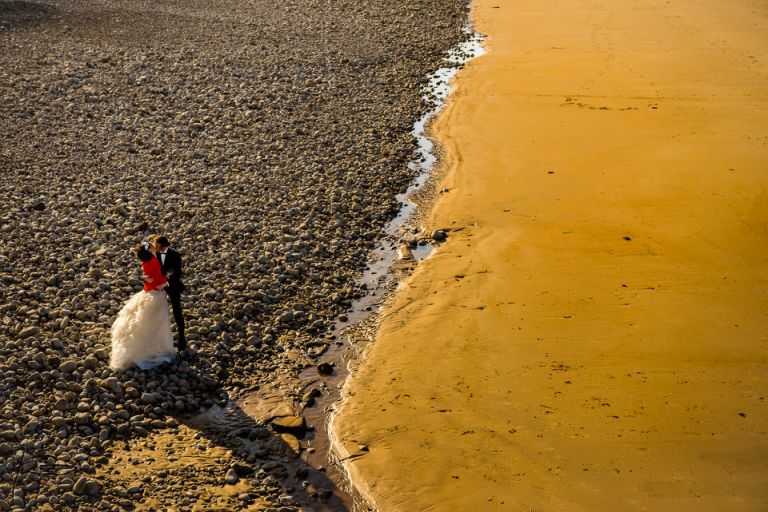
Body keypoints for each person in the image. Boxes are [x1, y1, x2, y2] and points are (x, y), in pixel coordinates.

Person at [110, 242, 175, 371]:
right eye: (151, 245)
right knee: (157, 322)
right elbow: (158, 280)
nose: (154, 246)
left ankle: (141, 347)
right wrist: (167, 279)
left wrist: (147, 279)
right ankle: (155, 349)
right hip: (156, 294)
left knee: (143, 321)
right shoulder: (153, 261)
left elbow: (148, 276)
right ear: (149, 250)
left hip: (147, 292)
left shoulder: (145, 262)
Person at [151, 235, 187, 351]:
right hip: (159, 287)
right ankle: (158, 340)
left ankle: (182, 338)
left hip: (173, 286)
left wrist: (167, 276)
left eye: (156, 244)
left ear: (161, 245)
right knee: (157, 312)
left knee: (177, 311)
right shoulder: (155, 255)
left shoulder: (175, 255)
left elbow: (177, 272)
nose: (154, 246)